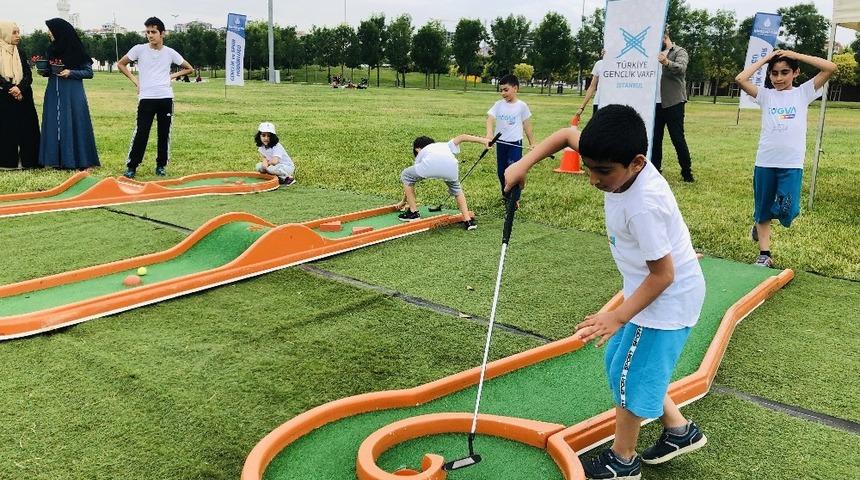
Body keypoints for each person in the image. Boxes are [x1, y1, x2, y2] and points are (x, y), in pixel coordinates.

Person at [504, 104, 707, 480]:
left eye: (603, 172)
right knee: (623, 360)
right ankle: (679, 430)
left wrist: (617, 315)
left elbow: (662, 275)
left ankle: (623, 460)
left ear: (636, 163)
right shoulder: (616, 158)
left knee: (630, 375)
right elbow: (567, 135)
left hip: (666, 302)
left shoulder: (643, 205)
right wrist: (523, 163)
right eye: (588, 168)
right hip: (652, 295)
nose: (594, 179)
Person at [734, 50, 836, 268]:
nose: (778, 78)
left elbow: (830, 68)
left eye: (785, 72)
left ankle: (763, 218)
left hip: (791, 163)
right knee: (762, 209)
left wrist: (795, 54)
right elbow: (740, 79)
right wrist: (765, 60)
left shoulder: (803, 93)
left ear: (796, 72)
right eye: (774, 73)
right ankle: (764, 253)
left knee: (788, 211)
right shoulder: (765, 95)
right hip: (765, 161)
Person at [118, 16, 194, 178]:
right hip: (146, 98)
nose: (150, 35)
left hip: (165, 98)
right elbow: (121, 64)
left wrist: (171, 77)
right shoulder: (139, 49)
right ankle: (132, 166)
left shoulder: (170, 52)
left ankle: (161, 165)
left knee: (163, 133)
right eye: (148, 32)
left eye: (153, 32)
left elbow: (189, 68)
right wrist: (135, 81)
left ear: (162, 33)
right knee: (142, 132)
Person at [37, 18, 99, 170]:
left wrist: (71, 72)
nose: (48, 33)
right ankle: (55, 160)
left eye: (51, 30)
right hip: (53, 92)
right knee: (53, 124)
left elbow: (88, 72)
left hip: (72, 93)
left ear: (60, 32)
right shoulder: (51, 49)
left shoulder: (76, 50)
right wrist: (44, 70)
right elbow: (51, 70)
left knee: (74, 123)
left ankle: (77, 160)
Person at [395, 134, 488, 230]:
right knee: (457, 190)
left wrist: (403, 202)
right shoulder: (445, 145)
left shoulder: (422, 153)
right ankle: (468, 221)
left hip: (429, 166)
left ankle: (413, 212)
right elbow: (462, 137)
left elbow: (409, 183)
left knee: (406, 175)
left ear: (417, 149)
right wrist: (484, 141)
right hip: (451, 167)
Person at [486, 74, 535, 202]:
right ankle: (506, 194)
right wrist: (489, 134)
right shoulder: (498, 105)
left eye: (506, 90)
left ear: (515, 88)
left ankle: (515, 199)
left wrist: (532, 143)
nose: (503, 93)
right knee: (501, 171)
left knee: (514, 171)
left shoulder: (522, 106)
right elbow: (490, 119)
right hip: (501, 143)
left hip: (515, 144)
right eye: (501, 90)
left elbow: (527, 125)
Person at [654, 29, 694, 182]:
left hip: (673, 102)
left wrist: (666, 62)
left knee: (677, 138)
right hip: (655, 104)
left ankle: (686, 172)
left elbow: (681, 68)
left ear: (666, 35)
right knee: (655, 138)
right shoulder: (651, 52)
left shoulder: (679, 51)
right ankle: (656, 169)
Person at [0, 21, 39, 169]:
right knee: (6, 129)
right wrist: (11, 88)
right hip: (3, 96)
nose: (18, 36)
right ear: (4, 33)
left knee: (28, 129)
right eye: (14, 32)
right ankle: (6, 162)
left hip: (23, 96)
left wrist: (20, 88)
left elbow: (28, 75)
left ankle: (29, 161)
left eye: (18, 32)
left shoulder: (20, 52)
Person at [577, 49, 606, 118]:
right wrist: (582, 107)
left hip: (615, 103)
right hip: (599, 102)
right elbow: (592, 87)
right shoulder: (599, 64)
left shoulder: (622, 65)